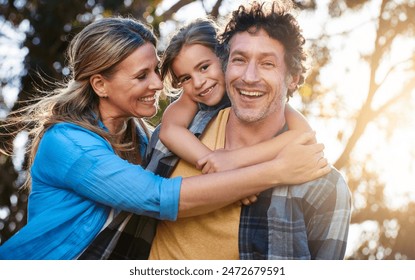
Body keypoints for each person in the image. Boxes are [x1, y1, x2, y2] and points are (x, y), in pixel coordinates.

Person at [0, 16, 329, 260]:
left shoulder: (143, 141)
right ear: (100, 85)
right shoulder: (68, 144)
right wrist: (274, 172)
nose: (159, 85)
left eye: (156, 70)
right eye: (142, 76)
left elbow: (298, 129)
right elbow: (158, 197)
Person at [148, 1, 351, 260]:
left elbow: (305, 137)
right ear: (226, 65)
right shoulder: (176, 137)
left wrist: (232, 161)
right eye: (240, 60)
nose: (249, 77)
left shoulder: (324, 188)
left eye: (267, 64)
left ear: (293, 78)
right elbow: (146, 205)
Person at [158, 17, 314, 176]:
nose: (197, 83)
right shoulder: (191, 98)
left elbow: (305, 136)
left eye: (204, 67)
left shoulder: (264, 97)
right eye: (185, 78)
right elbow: (169, 130)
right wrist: (217, 166)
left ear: (224, 58)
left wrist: (236, 159)